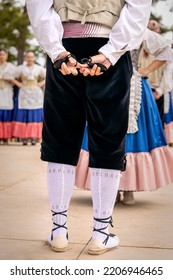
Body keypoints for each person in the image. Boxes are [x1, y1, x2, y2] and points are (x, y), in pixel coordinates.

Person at [26, 0, 152, 255]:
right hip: (109, 49)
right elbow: (138, 8)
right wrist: (110, 52)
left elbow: (39, 7)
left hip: (65, 46)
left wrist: (57, 51)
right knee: (108, 138)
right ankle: (101, 234)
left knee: (60, 137)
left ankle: (59, 231)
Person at [75, 28, 173, 205]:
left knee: (133, 137)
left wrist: (146, 70)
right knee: (103, 132)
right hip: (104, 83)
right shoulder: (102, 27)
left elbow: (166, 50)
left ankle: (128, 188)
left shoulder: (138, 28)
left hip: (133, 84)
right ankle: (108, 188)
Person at [12, 51, 46, 145]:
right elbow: (9, 75)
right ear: (25, 58)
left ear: (34, 58)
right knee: (24, 115)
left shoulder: (39, 68)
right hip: (24, 93)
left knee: (35, 115)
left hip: (36, 93)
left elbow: (48, 76)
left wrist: (41, 83)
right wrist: (18, 83)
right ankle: (24, 138)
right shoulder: (20, 68)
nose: (29, 59)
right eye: (28, 57)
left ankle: (34, 137)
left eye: (31, 57)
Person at [0, 49, 16, 144]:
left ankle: (6, 137)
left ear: (6, 55)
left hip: (7, 91)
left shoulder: (12, 67)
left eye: (3, 54)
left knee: (6, 115)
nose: (2, 56)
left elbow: (16, 79)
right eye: (0, 54)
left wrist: (11, 80)